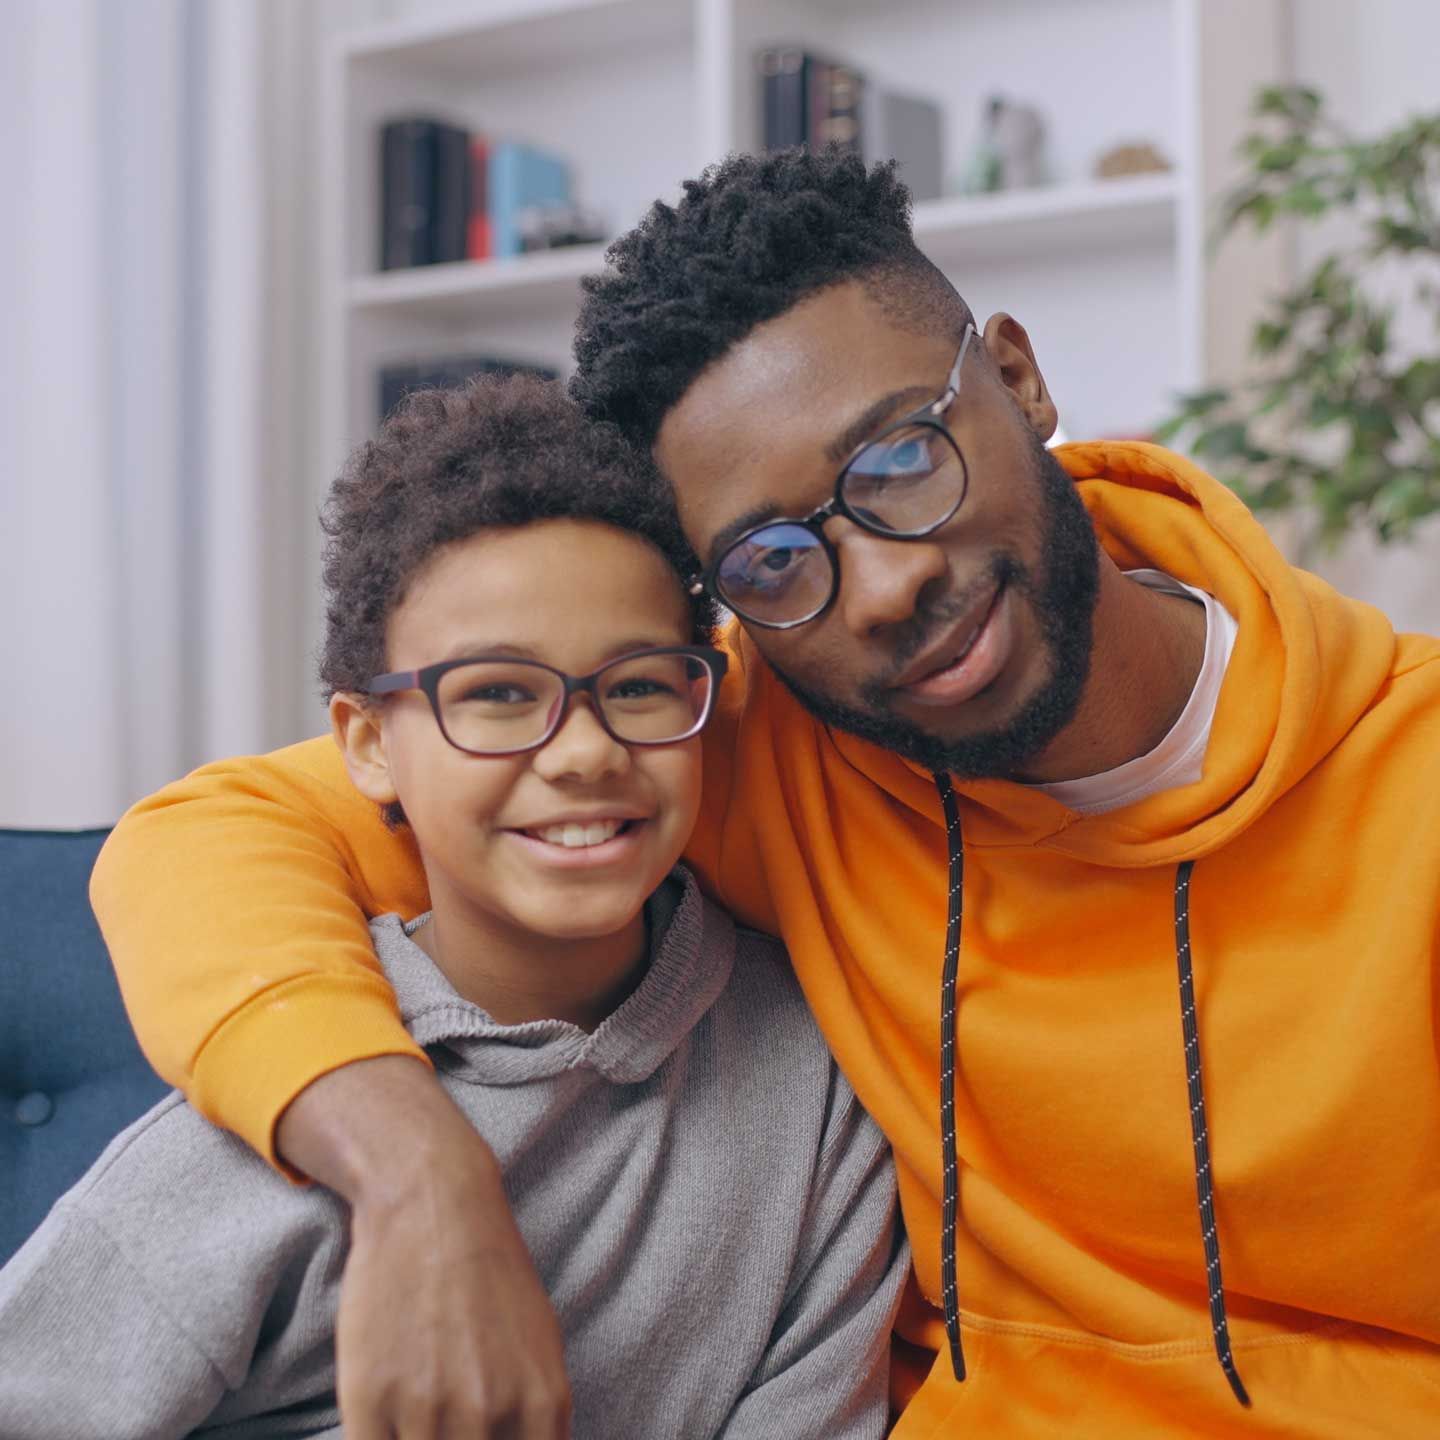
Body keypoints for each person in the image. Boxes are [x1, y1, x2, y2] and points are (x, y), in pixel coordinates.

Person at [91, 149, 1440, 1438]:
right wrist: (416, 1176)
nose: (885, 587)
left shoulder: (1412, 778)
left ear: (1020, 381)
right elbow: (204, 838)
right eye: (775, 558)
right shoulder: (720, 745)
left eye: (905, 460)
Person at [0, 376, 908, 1440]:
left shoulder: (819, 1085)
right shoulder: (262, 1140)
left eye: (642, 685)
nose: (582, 752)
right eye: (496, 693)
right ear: (368, 745)